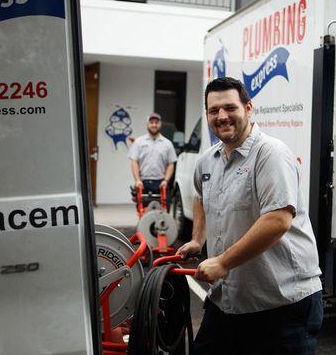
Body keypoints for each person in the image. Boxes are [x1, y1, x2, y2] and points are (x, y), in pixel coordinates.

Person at [177, 77, 323, 354]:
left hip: (282, 303)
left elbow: (277, 220)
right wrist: (198, 240)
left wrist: (222, 262)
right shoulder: (208, 160)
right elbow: (199, 196)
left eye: (230, 108)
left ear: (248, 108)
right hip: (229, 299)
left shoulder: (270, 154)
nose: (221, 116)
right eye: (213, 110)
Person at [129, 113, 177, 201]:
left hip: (161, 183)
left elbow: (171, 164)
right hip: (143, 182)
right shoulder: (139, 142)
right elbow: (134, 161)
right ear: (147, 124)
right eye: (151, 122)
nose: (154, 125)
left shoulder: (167, 144)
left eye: (156, 122)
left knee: (162, 212)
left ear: (160, 124)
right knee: (143, 212)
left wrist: (166, 181)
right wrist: (137, 180)